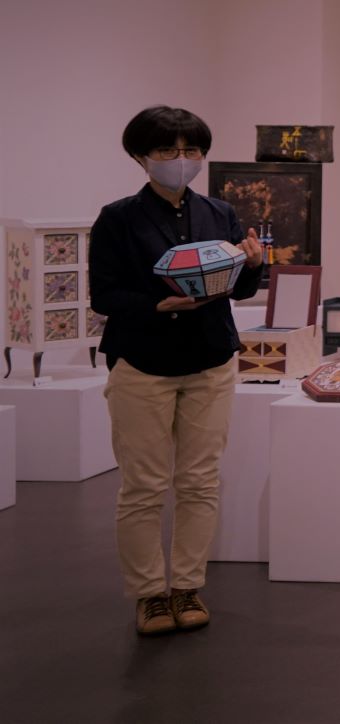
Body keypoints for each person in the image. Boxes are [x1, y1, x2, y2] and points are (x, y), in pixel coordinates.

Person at [89, 105, 266, 636]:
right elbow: (104, 295)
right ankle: (149, 594)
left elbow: (239, 288)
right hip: (142, 363)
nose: (181, 159)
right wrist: (156, 305)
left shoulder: (220, 212)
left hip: (210, 360)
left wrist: (254, 264)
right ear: (141, 156)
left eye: (191, 150)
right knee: (142, 486)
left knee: (200, 481)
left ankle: (187, 586)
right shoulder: (118, 218)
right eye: (168, 150)